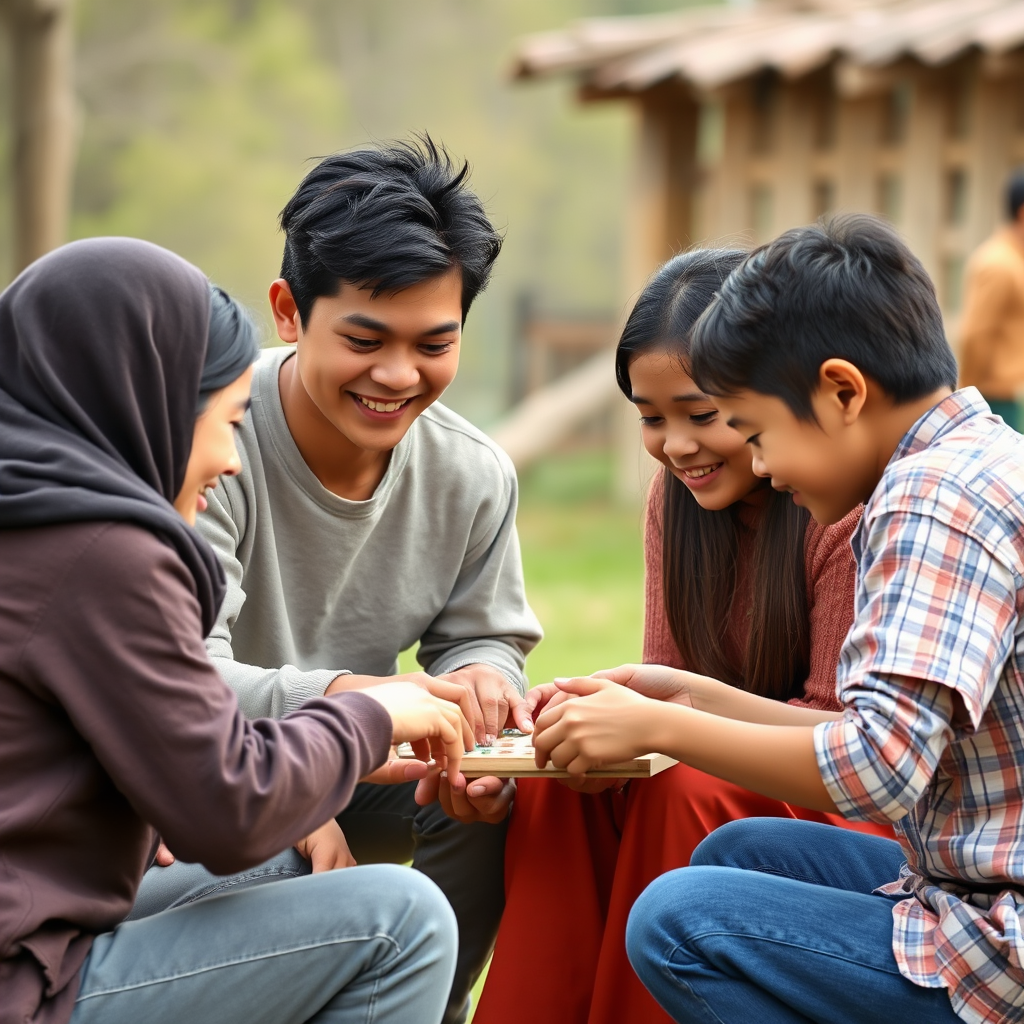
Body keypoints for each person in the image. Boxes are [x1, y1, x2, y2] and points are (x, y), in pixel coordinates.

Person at [530, 214, 1024, 1023]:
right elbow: (879, 731)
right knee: (735, 856)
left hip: (996, 944)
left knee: (677, 922)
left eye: (757, 432)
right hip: (957, 891)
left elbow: (880, 768)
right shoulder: (975, 460)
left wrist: (667, 731)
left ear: (841, 392)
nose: (757, 464)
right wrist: (680, 694)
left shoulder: (932, 500)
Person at [0, 237, 474, 1024]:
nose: (229, 460)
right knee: (402, 922)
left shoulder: (31, 518)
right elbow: (228, 808)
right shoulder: (99, 551)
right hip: (28, 981)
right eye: (226, 422)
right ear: (141, 403)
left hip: (38, 928)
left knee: (291, 860)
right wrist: (374, 713)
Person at [133, 136, 540, 1024]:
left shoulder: (471, 472)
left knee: (496, 799)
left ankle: (431, 1006)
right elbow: (174, 673)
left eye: (435, 343)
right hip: (213, 758)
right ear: (288, 310)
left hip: (359, 757)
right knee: (264, 854)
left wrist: (481, 689)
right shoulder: (211, 450)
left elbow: (484, 632)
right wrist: (358, 696)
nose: (398, 376)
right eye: (364, 339)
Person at [476, 249, 891, 1024]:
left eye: (703, 415)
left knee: (681, 784)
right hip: (716, 767)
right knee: (561, 789)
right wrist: (599, 732)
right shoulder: (676, 506)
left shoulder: (841, 509)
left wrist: (669, 728)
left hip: (842, 795)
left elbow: (857, 746)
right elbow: (664, 691)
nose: (677, 445)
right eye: (650, 418)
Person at [958, 168, 1024, 430]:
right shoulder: (998, 263)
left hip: (1008, 395)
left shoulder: (1014, 259)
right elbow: (977, 335)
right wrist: (967, 400)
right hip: (992, 400)